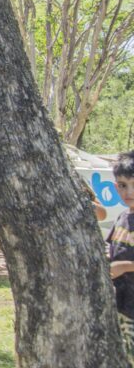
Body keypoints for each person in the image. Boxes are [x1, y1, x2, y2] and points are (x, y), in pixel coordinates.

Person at [106, 150, 134, 365]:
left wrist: (123, 267)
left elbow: (120, 264)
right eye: (123, 185)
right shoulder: (122, 218)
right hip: (122, 305)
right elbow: (112, 250)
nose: (129, 192)